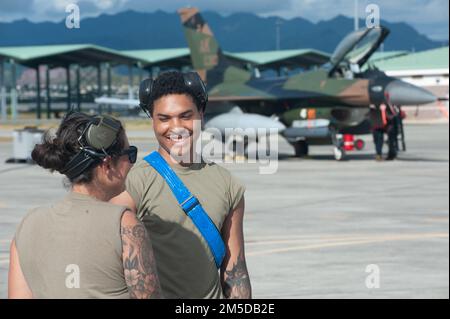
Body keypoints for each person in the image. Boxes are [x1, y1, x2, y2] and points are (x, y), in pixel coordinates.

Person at [111, 71, 252, 299]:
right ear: (153, 121)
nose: (176, 127)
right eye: (164, 118)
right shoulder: (133, 183)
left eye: (185, 116)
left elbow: (235, 272)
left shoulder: (228, 185)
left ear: (201, 115)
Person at [8, 112, 162, 299]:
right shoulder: (124, 225)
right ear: (107, 165)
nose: (131, 164)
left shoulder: (27, 225)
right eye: (130, 155)